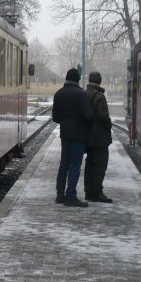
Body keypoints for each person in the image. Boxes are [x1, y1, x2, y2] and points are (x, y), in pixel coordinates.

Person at [52, 68, 93, 207]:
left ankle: (59, 195)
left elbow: (55, 117)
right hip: (78, 135)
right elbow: (87, 116)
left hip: (65, 134)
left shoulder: (59, 94)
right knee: (75, 164)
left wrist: (65, 122)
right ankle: (71, 195)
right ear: (77, 80)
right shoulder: (81, 94)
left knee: (64, 163)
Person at [84, 71, 113, 203]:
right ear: (100, 81)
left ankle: (88, 192)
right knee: (100, 165)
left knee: (89, 164)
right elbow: (103, 116)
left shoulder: (84, 95)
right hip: (99, 138)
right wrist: (109, 125)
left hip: (87, 136)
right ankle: (97, 192)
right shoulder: (99, 96)